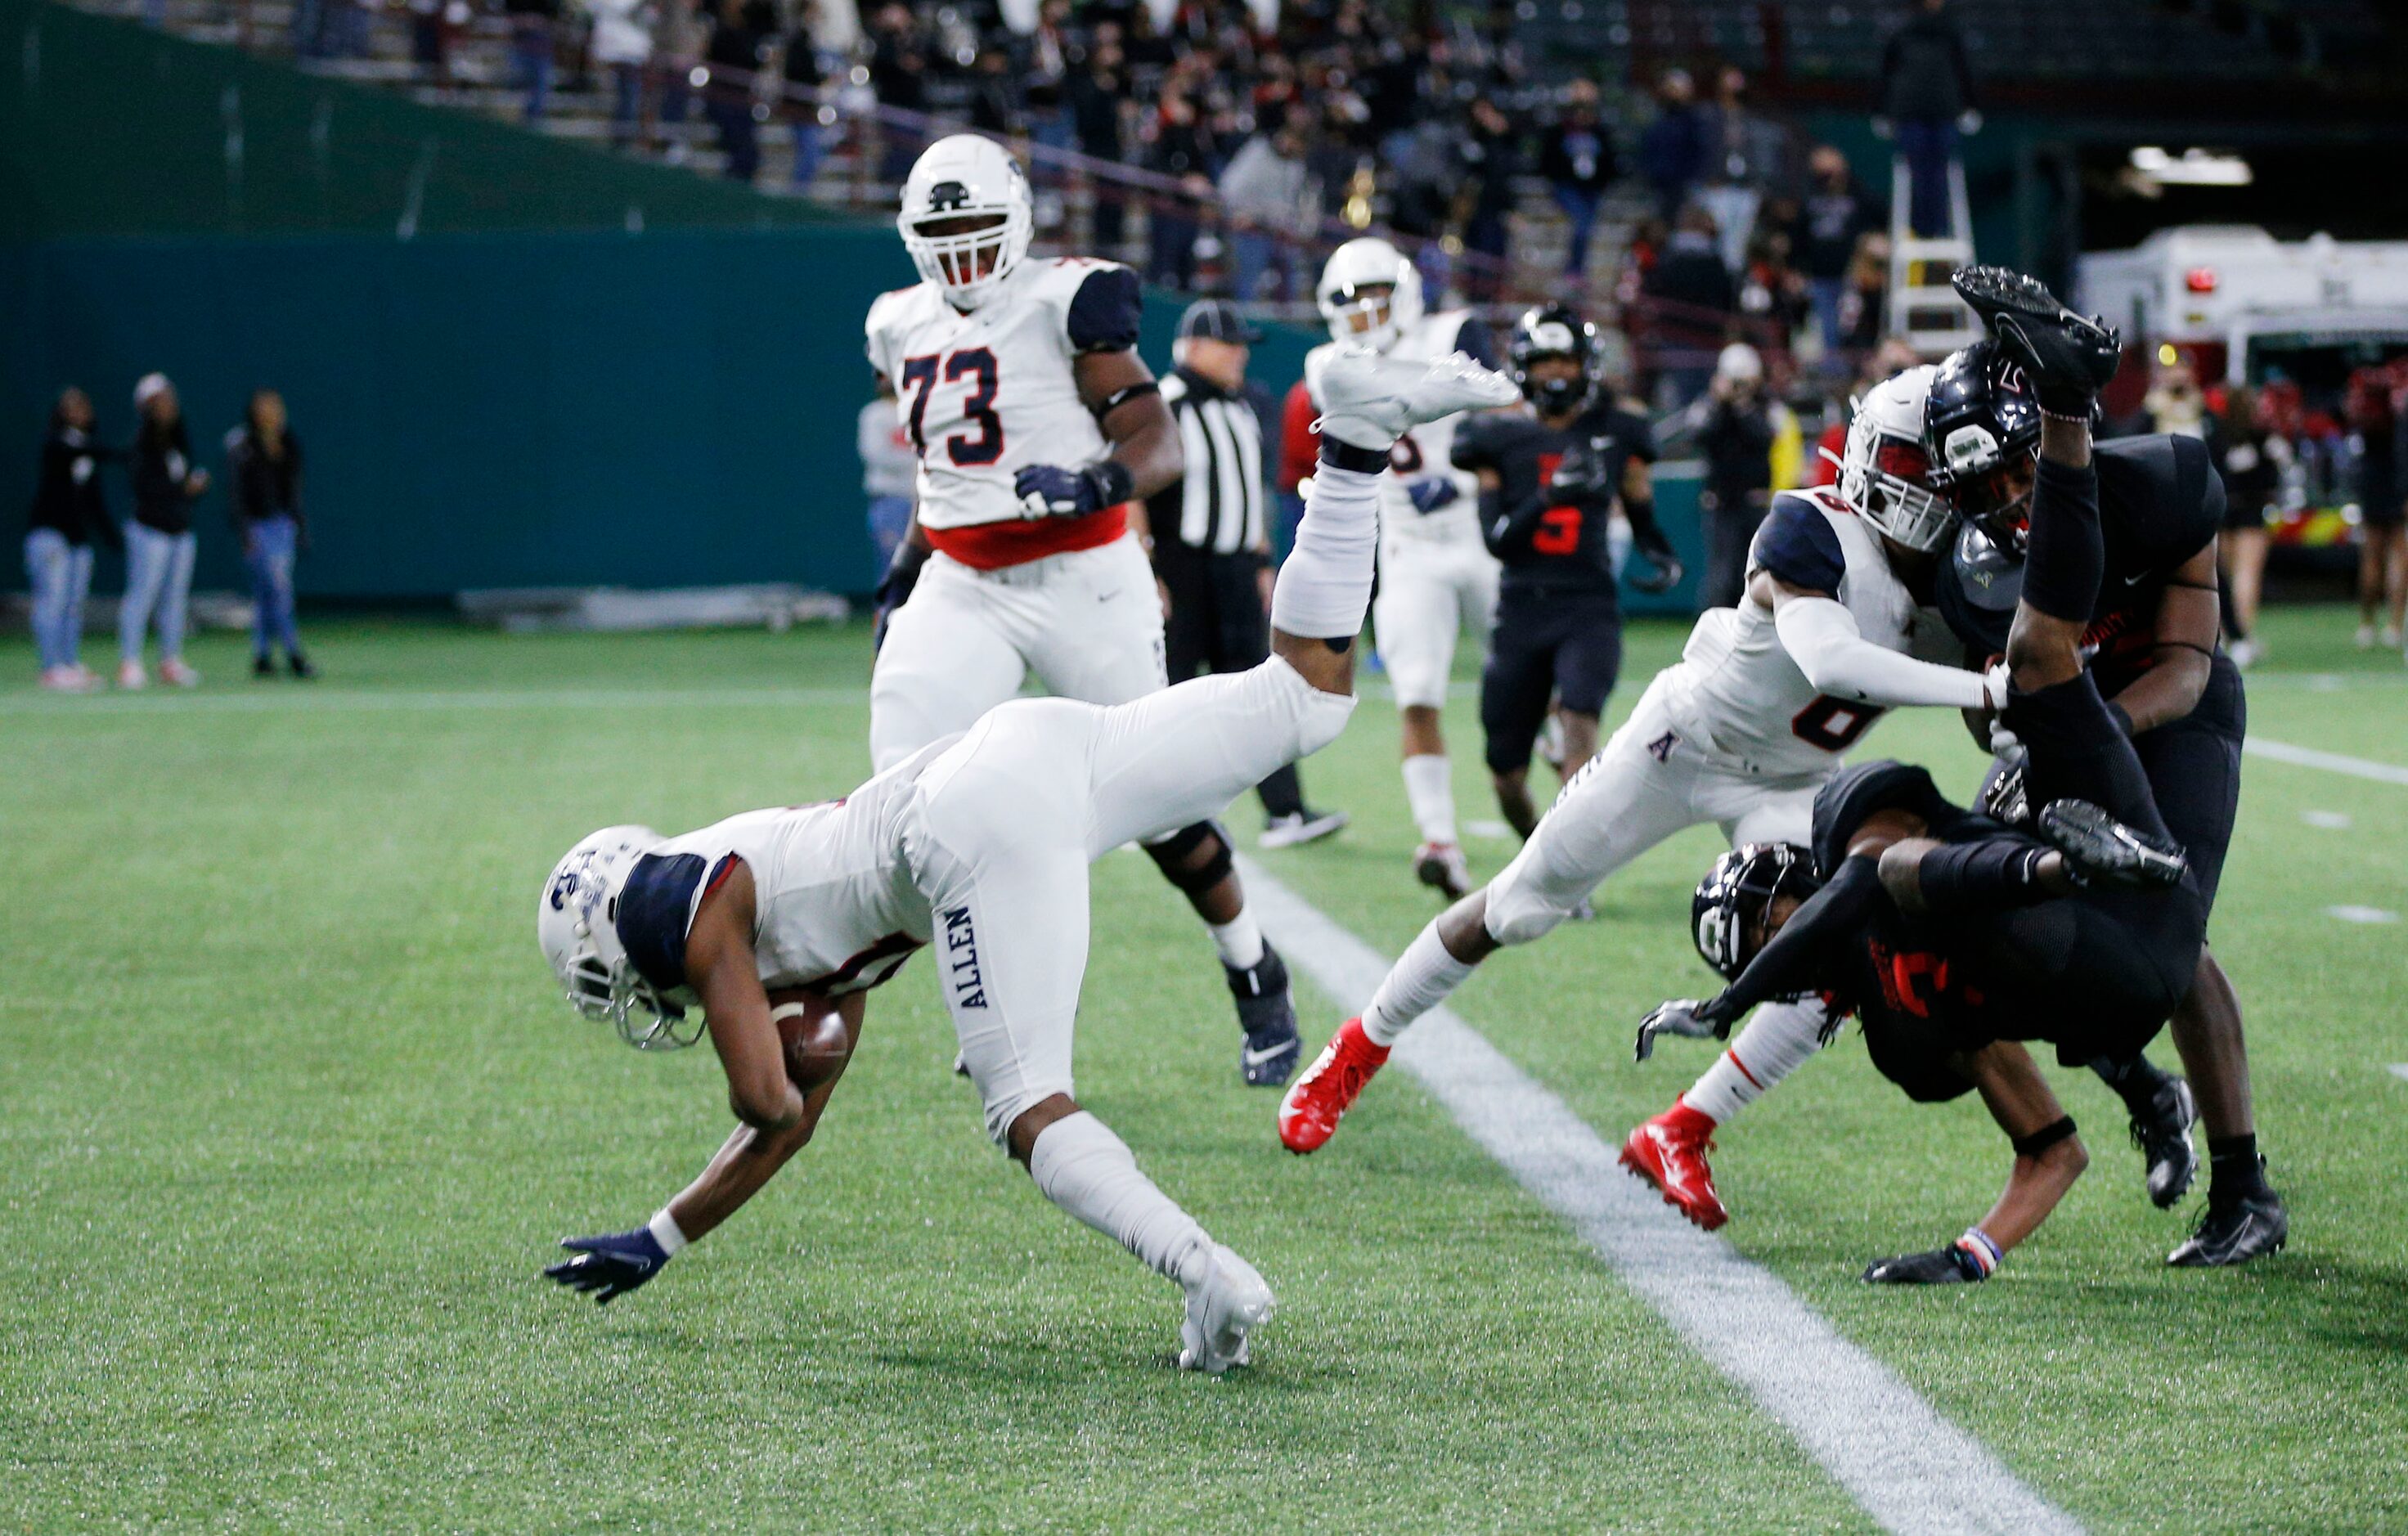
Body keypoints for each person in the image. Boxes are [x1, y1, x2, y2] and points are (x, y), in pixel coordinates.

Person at [535, 346, 1520, 1368]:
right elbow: (785, 1130)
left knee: (1026, 1111)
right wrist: (661, 1237)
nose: (635, 997)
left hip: (965, 824)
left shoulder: (666, 900)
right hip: (1025, 759)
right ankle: (1357, 441)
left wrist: (763, 1053)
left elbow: (763, 1097)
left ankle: (1208, 1277)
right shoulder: (760, 934)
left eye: (609, 976)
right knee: (1305, 697)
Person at [1640, 270, 2245, 1279]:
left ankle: (2240, 1186)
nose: (2003, 507)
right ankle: (2151, 1094)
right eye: (1980, 491)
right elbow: (1977, 727)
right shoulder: (1967, 568)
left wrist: (2063, 725)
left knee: (2175, 940)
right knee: (2022, 938)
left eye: (2018, 477)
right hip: (2057, 731)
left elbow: (2182, 666)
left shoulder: (2162, 480)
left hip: (2165, 707)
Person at [1279, 362, 2015, 1159]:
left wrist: (2019, 709)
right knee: (1518, 904)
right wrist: (1984, 691)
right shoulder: (1812, 524)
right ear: (1871, 456)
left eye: (1943, 471)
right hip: (1682, 742)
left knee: (1833, 945)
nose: (1932, 491)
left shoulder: (1965, 583)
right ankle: (1356, 1048)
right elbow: (1831, 661)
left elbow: (2002, 716)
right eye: (1913, 465)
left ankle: (1683, 1130)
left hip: (1794, 780)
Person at [863, 135, 1295, 1087]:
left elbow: (1157, 439)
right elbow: (948, 476)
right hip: (962, 581)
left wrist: (1097, 479)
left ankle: (1255, 968)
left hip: (1083, 579)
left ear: (1015, 220)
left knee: (1161, 804)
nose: (964, 251)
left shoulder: (1065, 300)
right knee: (904, 810)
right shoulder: (896, 322)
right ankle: (990, 1020)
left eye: (978, 227)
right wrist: (905, 572)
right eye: (944, 232)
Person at [1289, 237, 1501, 900]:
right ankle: (1440, 840)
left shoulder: (1453, 330)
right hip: (1407, 546)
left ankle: (1557, 835)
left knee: (1534, 693)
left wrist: (1466, 485)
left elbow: (1508, 414)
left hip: (1482, 533)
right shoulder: (1328, 362)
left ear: (1404, 291)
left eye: (1376, 294)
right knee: (1417, 694)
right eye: (1351, 301)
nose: (1365, 311)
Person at [1455, 305, 1681, 839]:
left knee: (1579, 722)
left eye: (1566, 361)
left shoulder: (1620, 428)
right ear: (1523, 367)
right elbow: (1498, 541)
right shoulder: (1493, 436)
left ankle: (1570, 861)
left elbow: (1640, 505)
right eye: (1545, 361)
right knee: (1506, 772)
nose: (1556, 373)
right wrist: (1549, 495)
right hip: (1520, 607)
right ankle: (1540, 848)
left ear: (1587, 366)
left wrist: (1661, 551)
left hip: (1588, 603)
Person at [1150, 299, 1348, 863]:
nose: (1240, 354)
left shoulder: (1241, 407)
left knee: (1262, 692)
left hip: (1237, 569)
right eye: (1228, 343)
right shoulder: (1166, 404)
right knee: (1174, 694)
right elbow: (1138, 493)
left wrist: (1262, 561)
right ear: (1193, 348)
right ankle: (1163, 813)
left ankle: (1285, 810)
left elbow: (1250, 492)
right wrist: (1148, 568)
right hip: (1181, 567)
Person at [25, 387, 121, 691]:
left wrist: (110, 536)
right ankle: (51, 667)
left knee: (73, 605)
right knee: (50, 602)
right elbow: (73, 452)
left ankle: (69, 662)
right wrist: (120, 452)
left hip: (78, 541)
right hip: (50, 535)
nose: (78, 412)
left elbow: (93, 500)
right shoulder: (56, 444)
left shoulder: (86, 451)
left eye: (83, 405)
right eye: (71, 406)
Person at [120, 373, 208, 690]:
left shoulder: (178, 439)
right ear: (145, 406)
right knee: (142, 596)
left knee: (175, 600)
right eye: (159, 401)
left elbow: (181, 484)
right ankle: (129, 662)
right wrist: (181, 489)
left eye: (169, 398)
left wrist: (190, 490)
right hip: (150, 531)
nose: (167, 406)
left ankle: (170, 661)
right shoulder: (141, 444)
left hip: (179, 530)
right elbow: (147, 488)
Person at [224, 388, 316, 680]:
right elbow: (236, 494)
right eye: (264, 408)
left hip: (282, 527)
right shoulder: (241, 445)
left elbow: (295, 491)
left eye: (274, 407)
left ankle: (263, 656)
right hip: (257, 528)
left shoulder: (288, 442)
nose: (270, 413)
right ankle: (293, 653)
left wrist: (299, 527)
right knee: (274, 593)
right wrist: (244, 533)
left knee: (274, 594)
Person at [1876, 0, 1979, 239]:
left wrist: (1970, 105)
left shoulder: (1951, 29)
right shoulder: (1900, 28)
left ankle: (1939, 227)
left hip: (1943, 111)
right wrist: (1882, 110)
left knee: (1939, 171)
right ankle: (1919, 227)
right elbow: (1887, 71)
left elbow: (1963, 69)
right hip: (1910, 112)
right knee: (1917, 172)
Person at [1696, 344, 1778, 609]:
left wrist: (1743, 407)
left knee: (1755, 572)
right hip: (1722, 502)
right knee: (1722, 577)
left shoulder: (1765, 405)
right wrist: (1719, 403)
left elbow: (1766, 437)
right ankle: (1716, 635)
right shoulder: (1711, 406)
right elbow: (1700, 434)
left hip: (1754, 501)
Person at [2213, 384, 2284, 667]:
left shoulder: (2217, 433)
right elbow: (2275, 471)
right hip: (2251, 510)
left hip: (2223, 509)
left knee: (2223, 577)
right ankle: (2242, 636)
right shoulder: (2261, 435)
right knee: (2246, 575)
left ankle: (2220, 636)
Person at [1790, 146, 1880, 364]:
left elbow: (1878, 220)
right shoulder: (1810, 195)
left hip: (1854, 277)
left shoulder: (1857, 194)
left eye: (1831, 172)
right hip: (1819, 276)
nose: (1827, 179)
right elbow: (1798, 236)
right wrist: (1795, 269)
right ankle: (1831, 375)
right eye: (1822, 173)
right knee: (1825, 331)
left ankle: (1857, 373)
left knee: (1853, 327)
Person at [1216, 124, 1311, 303]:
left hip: (1278, 232)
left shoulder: (1296, 166)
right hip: (1251, 229)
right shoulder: (1258, 153)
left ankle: (1286, 322)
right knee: (1248, 285)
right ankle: (1245, 318)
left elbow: (1292, 204)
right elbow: (1230, 188)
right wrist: (1248, 213)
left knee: (1288, 283)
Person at [2347, 365, 2406, 651]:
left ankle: (2367, 624)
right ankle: (2395, 625)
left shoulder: (2366, 415)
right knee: (2398, 558)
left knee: (2371, 557)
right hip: (2396, 488)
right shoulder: (2398, 414)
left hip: (2373, 489)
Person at [858, 372, 916, 572]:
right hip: (890, 498)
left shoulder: (916, 411)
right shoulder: (875, 414)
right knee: (893, 564)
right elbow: (876, 454)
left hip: (921, 499)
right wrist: (916, 460)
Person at [589, 0, 653, 147]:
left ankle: (623, 140)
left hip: (634, 56)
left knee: (631, 100)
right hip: (614, 52)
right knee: (623, 97)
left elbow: (648, 21)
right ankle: (619, 139)